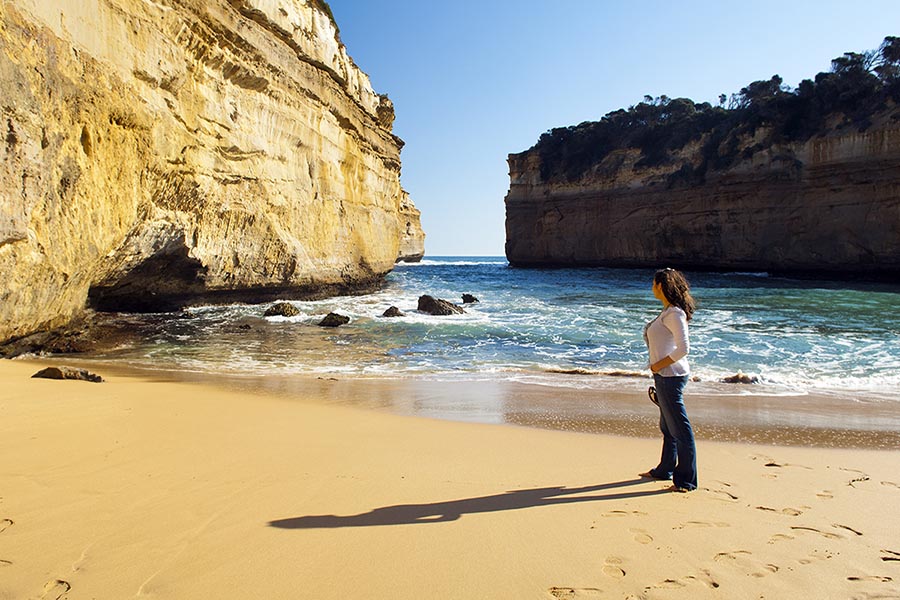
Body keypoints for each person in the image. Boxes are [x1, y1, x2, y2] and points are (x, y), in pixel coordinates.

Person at [640, 268, 698, 492]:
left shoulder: (674, 313)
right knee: (668, 426)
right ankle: (665, 469)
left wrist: (658, 365)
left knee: (680, 429)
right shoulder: (667, 311)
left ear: (662, 286)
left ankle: (686, 481)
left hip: (671, 376)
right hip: (664, 376)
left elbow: (684, 348)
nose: (652, 287)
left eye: (654, 283)